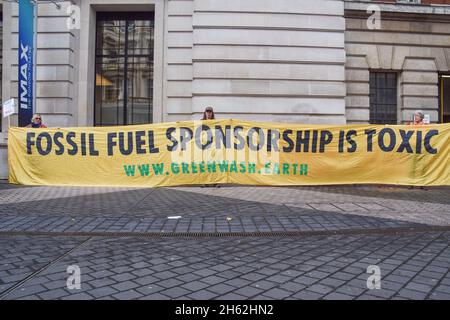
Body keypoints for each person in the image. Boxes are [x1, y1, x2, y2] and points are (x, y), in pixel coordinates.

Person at [201, 106, 219, 188]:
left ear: (212, 113)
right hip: (204, 147)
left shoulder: (216, 122)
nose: (208, 113)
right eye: (207, 112)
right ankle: (205, 182)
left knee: (214, 164)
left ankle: (216, 182)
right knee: (205, 164)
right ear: (205, 113)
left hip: (213, 147)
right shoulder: (201, 122)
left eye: (210, 112)